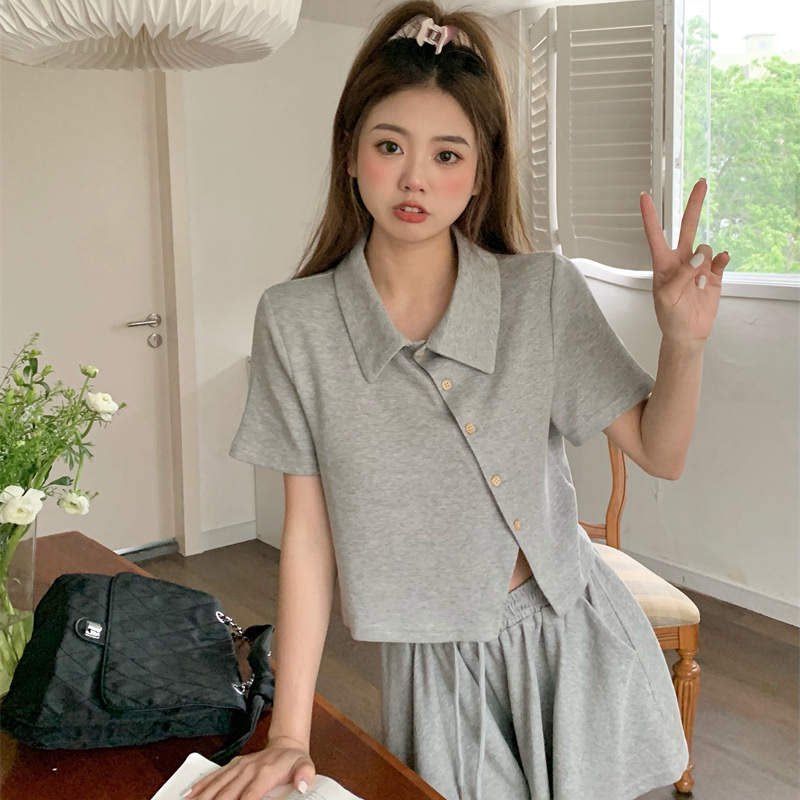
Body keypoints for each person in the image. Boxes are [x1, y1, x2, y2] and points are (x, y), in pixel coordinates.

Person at [185, 2, 729, 799]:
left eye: (447, 154)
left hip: (571, 634)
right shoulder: (296, 323)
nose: (416, 178)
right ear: (350, 152)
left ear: (480, 171)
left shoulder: (539, 294)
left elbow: (662, 452)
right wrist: (290, 734)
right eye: (390, 146)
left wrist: (684, 341)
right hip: (432, 664)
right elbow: (308, 535)